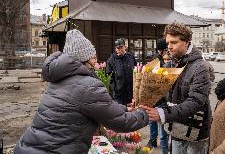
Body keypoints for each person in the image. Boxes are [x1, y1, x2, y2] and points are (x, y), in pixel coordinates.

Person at [14, 30, 149, 154]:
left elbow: (102, 107)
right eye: (93, 57)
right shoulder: (88, 86)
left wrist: (125, 108)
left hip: (29, 147)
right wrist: (144, 113)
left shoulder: (59, 80)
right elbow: (121, 122)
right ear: (85, 58)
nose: (96, 61)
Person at [141, 22, 212, 154]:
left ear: (187, 42)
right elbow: (161, 93)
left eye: (174, 42)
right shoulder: (173, 63)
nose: (169, 47)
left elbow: (195, 102)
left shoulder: (201, 67)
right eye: (168, 43)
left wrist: (162, 113)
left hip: (195, 133)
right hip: (176, 129)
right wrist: (143, 100)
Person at [146, 40, 170, 154]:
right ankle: (153, 140)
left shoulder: (169, 60)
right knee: (153, 119)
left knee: (158, 120)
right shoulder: (155, 60)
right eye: (161, 50)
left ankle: (157, 141)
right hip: (155, 95)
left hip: (162, 97)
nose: (162, 52)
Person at [106, 38, 137, 106]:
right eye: (118, 48)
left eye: (121, 47)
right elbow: (109, 76)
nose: (120, 49)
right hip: (119, 95)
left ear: (125, 47)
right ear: (115, 49)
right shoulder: (111, 60)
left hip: (131, 92)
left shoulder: (130, 56)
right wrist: (115, 89)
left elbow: (136, 69)